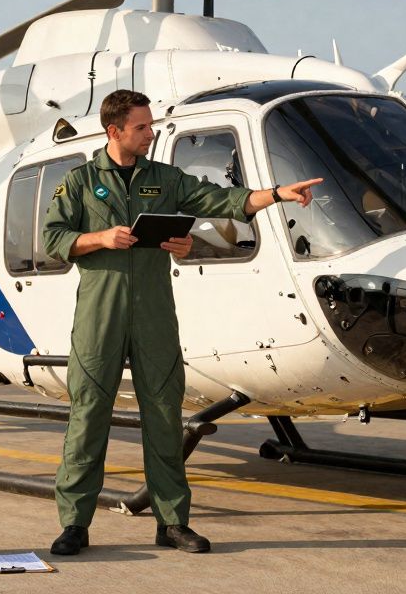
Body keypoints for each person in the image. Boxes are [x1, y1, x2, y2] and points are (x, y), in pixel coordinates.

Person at [41, 89, 322, 555]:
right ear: (115, 131)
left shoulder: (166, 179)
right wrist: (100, 238)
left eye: (150, 126)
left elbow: (222, 201)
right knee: (88, 417)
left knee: (165, 418)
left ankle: (171, 521)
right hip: (99, 316)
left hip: (154, 315)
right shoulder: (81, 182)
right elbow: (53, 238)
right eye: (142, 128)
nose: (151, 134)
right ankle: (75, 524)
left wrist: (275, 195)